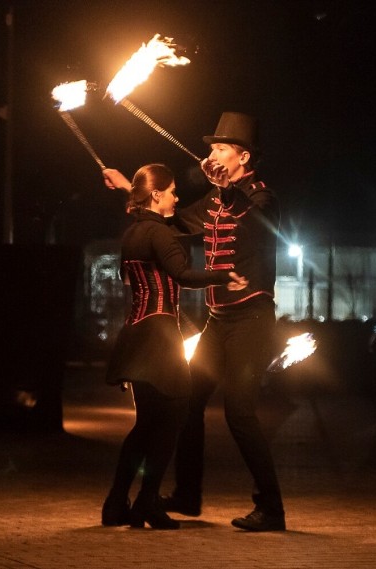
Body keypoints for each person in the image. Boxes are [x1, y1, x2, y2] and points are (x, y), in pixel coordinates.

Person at [102, 112, 285, 532]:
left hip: (252, 318)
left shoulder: (261, 196)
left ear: (242, 156)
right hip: (219, 320)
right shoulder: (216, 200)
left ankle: (271, 507)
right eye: (210, 149)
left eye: (220, 149)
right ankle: (187, 494)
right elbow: (170, 217)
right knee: (185, 403)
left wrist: (227, 188)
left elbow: (255, 218)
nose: (211, 155)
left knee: (240, 412)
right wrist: (132, 188)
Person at [100, 163, 248, 530]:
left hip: (135, 334)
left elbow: (136, 283)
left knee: (145, 425)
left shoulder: (132, 234)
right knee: (174, 417)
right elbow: (183, 275)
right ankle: (147, 504)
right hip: (160, 337)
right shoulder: (161, 235)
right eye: (172, 191)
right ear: (157, 195)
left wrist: (124, 187)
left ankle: (117, 503)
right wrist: (223, 275)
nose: (177, 198)